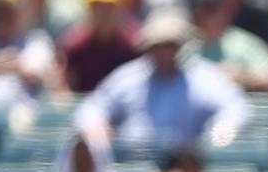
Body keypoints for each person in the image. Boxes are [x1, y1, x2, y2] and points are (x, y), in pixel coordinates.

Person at [75, 9, 250, 150]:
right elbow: (93, 106)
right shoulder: (129, 77)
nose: (165, 53)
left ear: (182, 45)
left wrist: (223, 130)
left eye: (171, 45)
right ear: (148, 47)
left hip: (184, 168)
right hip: (133, 166)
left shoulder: (203, 77)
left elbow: (235, 105)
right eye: (158, 46)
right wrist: (95, 127)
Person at [184, 0, 268, 92]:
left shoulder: (243, 43)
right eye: (203, 11)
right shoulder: (188, 47)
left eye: (212, 10)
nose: (206, 17)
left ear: (223, 13)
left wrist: (241, 78)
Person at [59, 0, 141, 94]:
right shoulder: (75, 46)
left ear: (119, 9)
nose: (103, 13)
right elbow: (65, 87)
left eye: (109, 7)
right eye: (98, 7)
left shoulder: (131, 46)